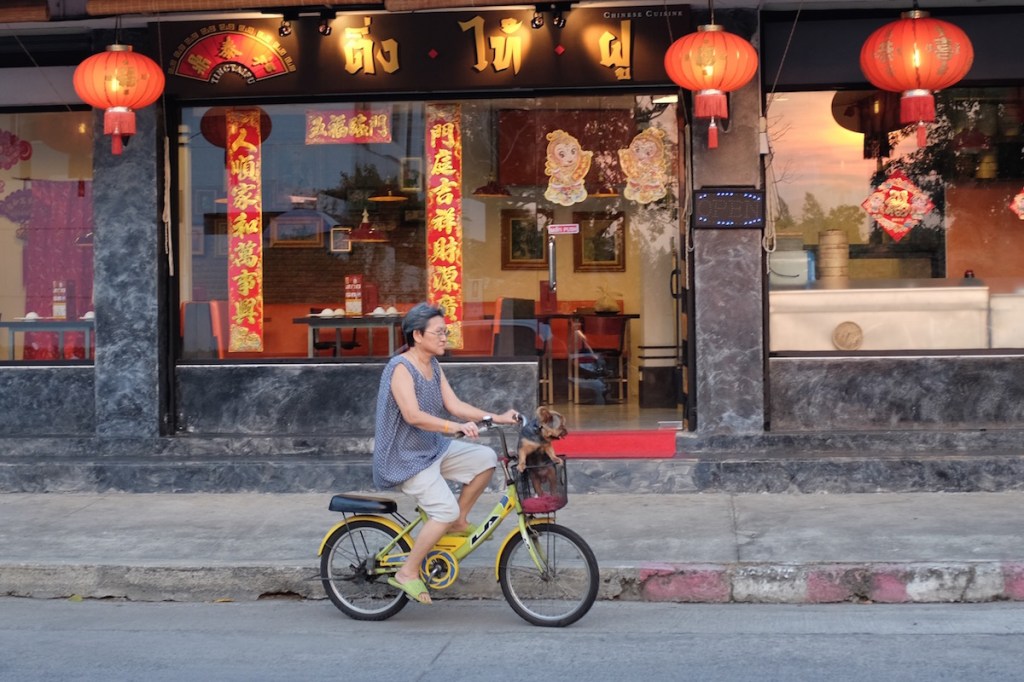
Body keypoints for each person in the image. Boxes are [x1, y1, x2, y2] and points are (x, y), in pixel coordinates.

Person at [373, 302, 518, 605]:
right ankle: (408, 572)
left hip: (431, 448)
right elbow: (412, 415)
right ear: (417, 335)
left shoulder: (433, 365)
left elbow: (455, 405)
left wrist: (496, 417)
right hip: (405, 459)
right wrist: (454, 427)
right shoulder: (401, 368)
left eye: (445, 331)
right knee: (443, 509)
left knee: (486, 460)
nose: (444, 337)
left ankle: (458, 521)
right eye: (438, 332)